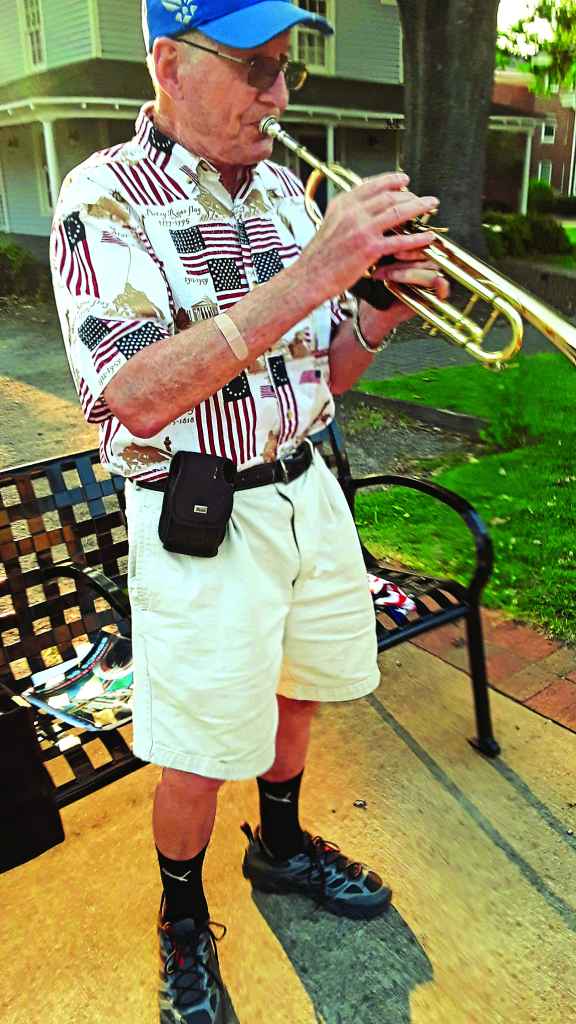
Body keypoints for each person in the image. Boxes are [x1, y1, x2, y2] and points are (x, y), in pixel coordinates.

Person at [50, 2, 449, 1020]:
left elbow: (327, 376)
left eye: (288, 70)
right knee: (196, 745)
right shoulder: (103, 198)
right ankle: (183, 921)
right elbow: (133, 393)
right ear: (171, 65)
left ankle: (278, 846)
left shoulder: (281, 188)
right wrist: (317, 267)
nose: (278, 96)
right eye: (257, 68)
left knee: (296, 692)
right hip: (200, 513)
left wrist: (373, 310)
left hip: (306, 491)